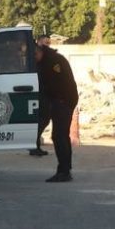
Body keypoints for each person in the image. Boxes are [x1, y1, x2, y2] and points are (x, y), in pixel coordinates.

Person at [35, 43, 78, 182]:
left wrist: (55, 101)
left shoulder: (54, 61)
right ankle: (65, 170)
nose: (34, 59)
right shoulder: (47, 60)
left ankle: (64, 171)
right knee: (61, 136)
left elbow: (58, 84)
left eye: (34, 56)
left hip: (63, 101)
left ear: (40, 52)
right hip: (60, 101)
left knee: (59, 136)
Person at [30, 35, 52, 156]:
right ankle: (34, 145)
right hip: (39, 91)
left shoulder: (45, 56)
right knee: (43, 118)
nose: (47, 45)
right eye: (45, 43)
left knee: (44, 119)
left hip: (44, 91)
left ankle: (35, 144)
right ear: (39, 42)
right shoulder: (37, 55)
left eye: (49, 43)